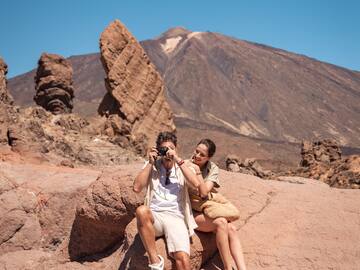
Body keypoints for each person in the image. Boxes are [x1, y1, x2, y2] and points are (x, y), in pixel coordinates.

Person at [133, 131, 200, 270]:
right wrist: (150, 163)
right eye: (164, 149)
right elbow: (137, 188)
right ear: (158, 150)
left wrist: (177, 160)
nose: (168, 152)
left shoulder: (183, 165)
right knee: (141, 211)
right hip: (155, 216)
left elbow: (196, 184)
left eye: (171, 148)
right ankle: (155, 262)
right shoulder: (152, 165)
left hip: (176, 217)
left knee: (182, 259)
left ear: (176, 149)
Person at [189, 139, 247, 270]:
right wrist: (197, 171)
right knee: (221, 222)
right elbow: (203, 192)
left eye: (202, 155)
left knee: (231, 228)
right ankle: (227, 268)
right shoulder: (186, 165)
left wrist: (198, 172)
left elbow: (205, 191)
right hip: (190, 212)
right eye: (196, 151)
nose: (197, 155)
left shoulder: (212, 168)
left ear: (209, 157)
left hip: (204, 210)